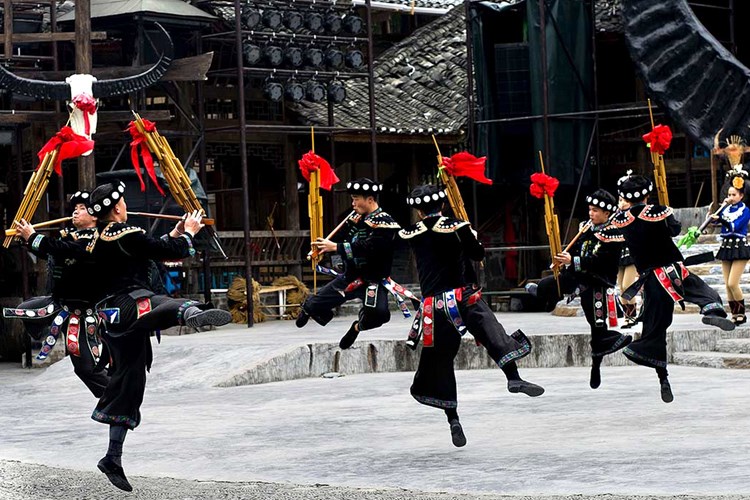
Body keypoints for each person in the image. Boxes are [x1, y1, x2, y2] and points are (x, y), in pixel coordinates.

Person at [85, 181, 232, 492]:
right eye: (124, 202)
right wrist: (189, 232)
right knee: (160, 303)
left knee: (129, 384)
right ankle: (190, 313)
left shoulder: (97, 239)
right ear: (117, 208)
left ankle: (112, 457)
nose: (126, 205)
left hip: (110, 318)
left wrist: (175, 233)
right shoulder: (126, 233)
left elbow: (150, 250)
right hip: (130, 305)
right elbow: (168, 252)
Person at [399, 185, 543, 447]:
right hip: (463, 296)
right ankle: (513, 378)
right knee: (491, 332)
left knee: (440, 361)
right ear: (443, 205)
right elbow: (477, 254)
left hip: (434, 305)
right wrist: (473, 237)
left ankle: (453, 419)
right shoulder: (457, 227)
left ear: (419, 211)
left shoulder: (411, 233)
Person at [612, 172, 734, 403]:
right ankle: (712, 311)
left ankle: (662, 377)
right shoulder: (659, 212)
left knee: (656, 328)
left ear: (626, 197)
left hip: (650, 281)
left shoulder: (621, 220)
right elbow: (675, 230)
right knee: (704, 292)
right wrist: (666, 212)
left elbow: (613, 237)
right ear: (647, 195)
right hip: (673, 271)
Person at [8, 191, 109, 397]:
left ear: (95, 215)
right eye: (75, 208)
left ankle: (117, 397)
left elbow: (65, 249)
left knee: (86, 368)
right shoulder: (71, 237)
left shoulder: (97, 240)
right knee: (24, 310)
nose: (76, 212)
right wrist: (28, 239)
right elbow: (52, 251)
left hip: (84, 312)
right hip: (60, 305)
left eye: (82, 208)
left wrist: (33, 237)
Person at [527, 189, 632, 389]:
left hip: (597, 284)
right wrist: (564, 258)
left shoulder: (614, 234)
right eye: (590, 209)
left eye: (595, 210)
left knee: (597, 328)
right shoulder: (585, 228)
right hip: (577, 277)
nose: (591, 213)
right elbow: (576, 249)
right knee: (548, 285)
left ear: (607, 213)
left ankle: (596, 367)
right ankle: (544, 295)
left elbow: (600, 263)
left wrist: (573, 260)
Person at [296, 178, 400, 349]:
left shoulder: (385, 223)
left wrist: (335, 247)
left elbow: (369, 248)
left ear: (370, 199)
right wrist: (324, 247)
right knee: (315, 304)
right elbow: (341, 237)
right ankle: (308, 308)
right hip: (350, 276)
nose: (352, 204)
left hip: (373, 280)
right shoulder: (354, 218)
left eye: (356, 199)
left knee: (380, 315)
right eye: (352, 199)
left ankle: (356, 328)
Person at [712, 175, 750, 325]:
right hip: (726, 246)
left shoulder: (745, 210)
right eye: (729, 195)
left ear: (741, 196)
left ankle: (742, 313)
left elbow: (735, 226)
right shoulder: (725, 210)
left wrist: (721, 219)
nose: (731, 198)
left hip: (739, 247)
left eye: (734, 195)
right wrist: (715, 216)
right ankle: (734, 313)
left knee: (733, 282)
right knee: (727, 285)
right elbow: (716, 221)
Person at [617, 195, 640, 329]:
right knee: (621, 287)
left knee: (627, 285)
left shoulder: (634, 215)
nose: (622, 203)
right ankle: (627, 317)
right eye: (620, 200)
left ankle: (633, 315)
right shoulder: (615, 217)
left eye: (625, 200)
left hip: (632, 254)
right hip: (619, 255)